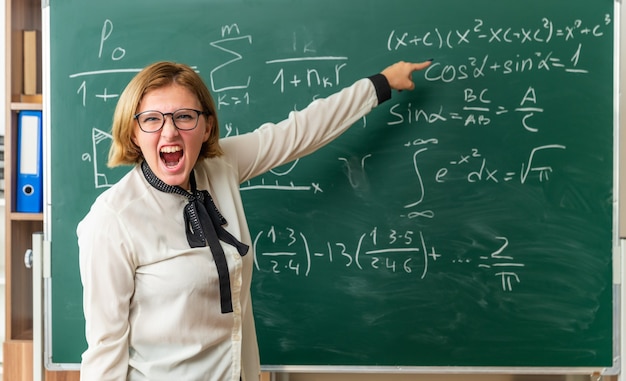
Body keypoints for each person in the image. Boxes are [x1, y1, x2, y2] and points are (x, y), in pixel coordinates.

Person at [77, 58, 432, 381]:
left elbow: (298, 132)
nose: (169, 132)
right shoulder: (112, 220)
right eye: (152, 119)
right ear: (133, 133)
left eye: (184, 116)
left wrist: (380, 84)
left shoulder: (221, 168)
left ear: (206, 125)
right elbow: (105, 349)